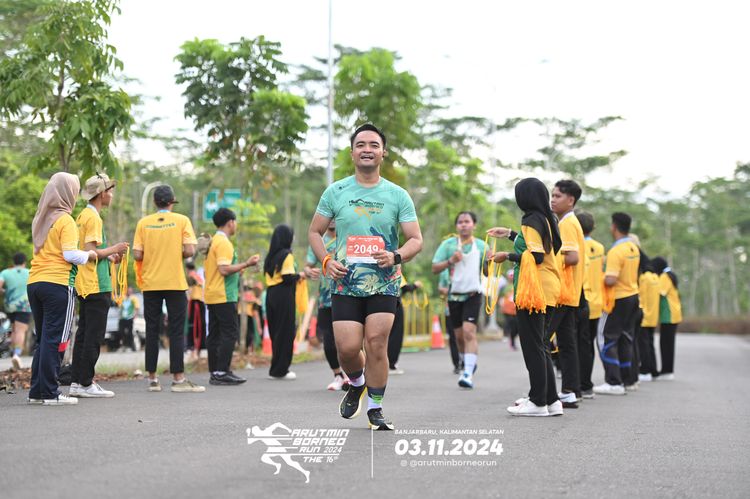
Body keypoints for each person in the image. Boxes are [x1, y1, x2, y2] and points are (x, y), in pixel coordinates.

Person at [308, 123, 423, 431]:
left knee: (376, 343)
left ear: (383, 152)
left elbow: (415, 239)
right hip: (345, 281)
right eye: (361, 145)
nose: (367, 150)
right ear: (352, 153)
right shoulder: (336, 192)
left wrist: (396, 256)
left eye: (374, 145)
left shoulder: (397, 195)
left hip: (384, 282)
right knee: (346, 349)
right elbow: (315, 232)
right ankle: (357, 383)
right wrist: (326, 260)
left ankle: (375, 407)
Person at [487, 177, 562, 417]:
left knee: (533, 347)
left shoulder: (530, 220)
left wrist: (506, 256)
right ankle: (551, 400)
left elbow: (536, 256)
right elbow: (535, 246)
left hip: (533, 291)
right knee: (542, 345)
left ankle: (538, 402)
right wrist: (510, 234)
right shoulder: (547, 219)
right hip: (549, 288)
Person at [27, 172, 98, 405]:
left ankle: (37, 392)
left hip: (35, 282)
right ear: (67, 193)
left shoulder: (41, 218)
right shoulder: (65, 220)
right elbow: (69, 255)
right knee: (55, 339)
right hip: (58, 284)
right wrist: (90, 255)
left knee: (43, 339)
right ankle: (51, 393)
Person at [133, 184, 204, 393]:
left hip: (151, 283)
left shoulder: (143, 223)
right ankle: (178, 378)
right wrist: (174, 252)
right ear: (171, 202)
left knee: (152, 330)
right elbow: (190, 250)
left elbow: (137, 254)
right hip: (174, 283)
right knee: (176, 330)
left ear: (155, 202)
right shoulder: (182, 221)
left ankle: (152, 379)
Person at [70, 173, 129, 398]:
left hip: (85, 282)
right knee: (93, 336)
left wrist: (111, 257)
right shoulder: (93, 217)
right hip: (96, 284)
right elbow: (90, 251)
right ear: (102, 193)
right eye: (110, 191)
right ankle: (86, 383)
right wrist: (115, 249)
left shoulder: (83, 215)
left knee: (84, 334)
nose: (112, 195)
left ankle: (77, 382)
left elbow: (92, 252)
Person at [204, 208, 260, 385]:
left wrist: (239, 269)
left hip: (212, 293)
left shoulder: (214, 241)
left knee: (214, 334)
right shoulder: (223, 243)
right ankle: (222, 371)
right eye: (235, 222)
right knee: (230, 332)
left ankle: (215, 371)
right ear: (230, 223)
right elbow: (223, 269)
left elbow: (221, 269)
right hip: (224, 295)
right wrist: (247, 263)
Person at [431, 212, 487, 389]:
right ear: (456, 226)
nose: (464, 225)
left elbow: (487, 271)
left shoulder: (481, 246)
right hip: (453, 295)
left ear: (474, 225)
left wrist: (490, 262)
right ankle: (466, 362)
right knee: (459, 337)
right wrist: (451, 260)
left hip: (473, 294)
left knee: (469, 332)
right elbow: (435, 268)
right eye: (460, 222)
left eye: (467, 221)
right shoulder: (448, 245)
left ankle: (468, 373)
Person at [548, 180, 586, 407]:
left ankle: (544, 394)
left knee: (542, 340)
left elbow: (572, 257)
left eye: (558, 196)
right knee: (567, 343)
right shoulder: (566, 221)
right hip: (569, 292)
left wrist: (547, 258)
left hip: (562, 292)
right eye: (552, 195)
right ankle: (570, 391)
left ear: (570, 200)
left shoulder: (568, 223)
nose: (552, 200)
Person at [594, 212, 640, 395]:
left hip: (618, 299)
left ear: (614, 227)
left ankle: (613, 381)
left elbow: (611, 280)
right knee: (625, 338)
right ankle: (627, 380)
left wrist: (599, 277)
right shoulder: (633, 248)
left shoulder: (616, 251)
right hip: (633, 296)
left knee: (606, 338)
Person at [305, 220, 350, 390]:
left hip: (349, 295)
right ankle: (338, 375)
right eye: (329, 217)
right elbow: (307, 266)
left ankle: (352, 376)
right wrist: (310, 272)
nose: (331, 220)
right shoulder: (319, 241)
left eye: (334, 217)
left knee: (350, 339)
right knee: (328, 338)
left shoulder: (348, 237)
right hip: (326, 297)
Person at [264, 224, 305, 380]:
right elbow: (287, 278)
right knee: (286, 332)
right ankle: (280, 370)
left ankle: (276, 367)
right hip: (283, 294)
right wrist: (301, 275)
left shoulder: (271, 256)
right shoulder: (287, 255)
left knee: (276, 331)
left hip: (271, 294)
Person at [577, 210, 604, 398]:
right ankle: (587, 384)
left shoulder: (577, 246)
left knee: (578, 344)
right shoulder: (600, 248)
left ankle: (581, 384)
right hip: (597, 301)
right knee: (588, 345)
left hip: (582, 300)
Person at [652, 256, 682, 381]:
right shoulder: (669, 275)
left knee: (666, 344)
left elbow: (660, 292)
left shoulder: (664, 277)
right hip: (672, 314)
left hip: (669, 315)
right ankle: (667, 370)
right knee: (668, 343)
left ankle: (667, 371)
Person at [0, 252, 31, 370]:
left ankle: (14, 353)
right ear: (24, 262)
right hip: (24, 306)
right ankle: (17, 355)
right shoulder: (29, 272)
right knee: (20, 330)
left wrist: (4, 292)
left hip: (9, 305)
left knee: (13, 329)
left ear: (13, 262)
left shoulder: (5, 272)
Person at [387, 274, 422, 375]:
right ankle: (391, 364)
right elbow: (404, 287)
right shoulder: (393, 267)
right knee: (395, 335)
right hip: (393, 303)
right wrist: (415, 285)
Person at [637, 257, 660, 381]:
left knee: (643, 345)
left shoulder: (644, 278)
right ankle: (653, 370)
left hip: (644, 316)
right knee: (650, 344)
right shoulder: (656, 278)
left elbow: (641, 296)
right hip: (653, 316)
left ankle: (645, 371)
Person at [438, 269, 460, 372]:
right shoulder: (444, 272)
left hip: (465, 306)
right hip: (450, 308)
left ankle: (465, 361)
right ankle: (457, 363)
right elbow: (440, 288)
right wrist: (450, 290)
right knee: (453, 336)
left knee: (463, 335)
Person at [186, 260, 206, 360]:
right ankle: (198, 351)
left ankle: (193, 351)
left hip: (195, 302)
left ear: (187, 269)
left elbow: (189, 291)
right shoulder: (198, 276)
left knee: (193, 326)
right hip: (201, 302)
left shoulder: (191, 276)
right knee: (200, 326)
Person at [500, 270, 518, 351]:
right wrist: (501, 305)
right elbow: (501, 297)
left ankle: (512, 338)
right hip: (507, 310)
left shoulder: (518, 284)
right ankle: (507, 336)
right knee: (508, 323)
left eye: (513, 275)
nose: (512, 277)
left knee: (516, 327)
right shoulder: (505, 286)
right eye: (510, 275)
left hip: (516, 310)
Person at [118, 287, 139, 351]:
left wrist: (135, 315)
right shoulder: (122, 298)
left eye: (130, 291)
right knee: (121, 332)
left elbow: (137, 307)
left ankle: (131, 346)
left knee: (130, 333)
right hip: (122, 318)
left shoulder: (133, 298)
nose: (129, 292)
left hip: (130, 317)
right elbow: (119, 306)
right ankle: (124, 345)